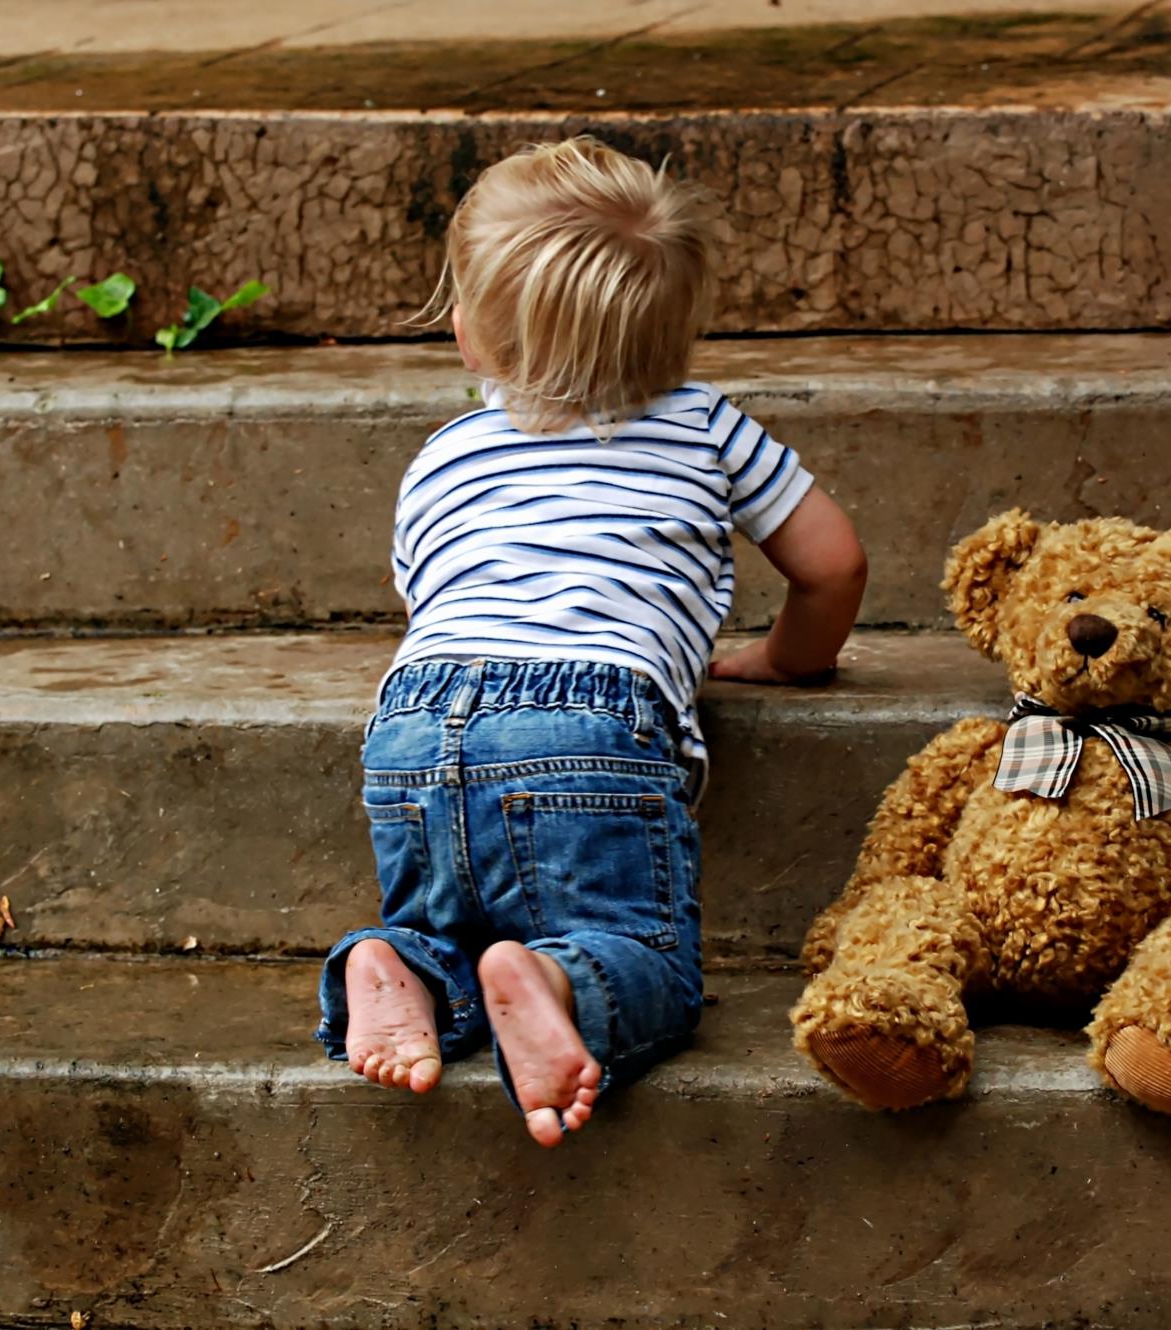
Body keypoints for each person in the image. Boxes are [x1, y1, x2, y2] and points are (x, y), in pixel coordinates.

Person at [313, 136, 867, 1146]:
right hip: (590, 722)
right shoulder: (704, 424)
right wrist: (790, 658)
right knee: (645, 952)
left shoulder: (444, 455)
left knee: (446, 923)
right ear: (679, 334)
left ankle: (392, 964)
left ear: (470, 335)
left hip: (414, 717)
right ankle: (562, 978)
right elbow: (832, 563)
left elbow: (432, 598)